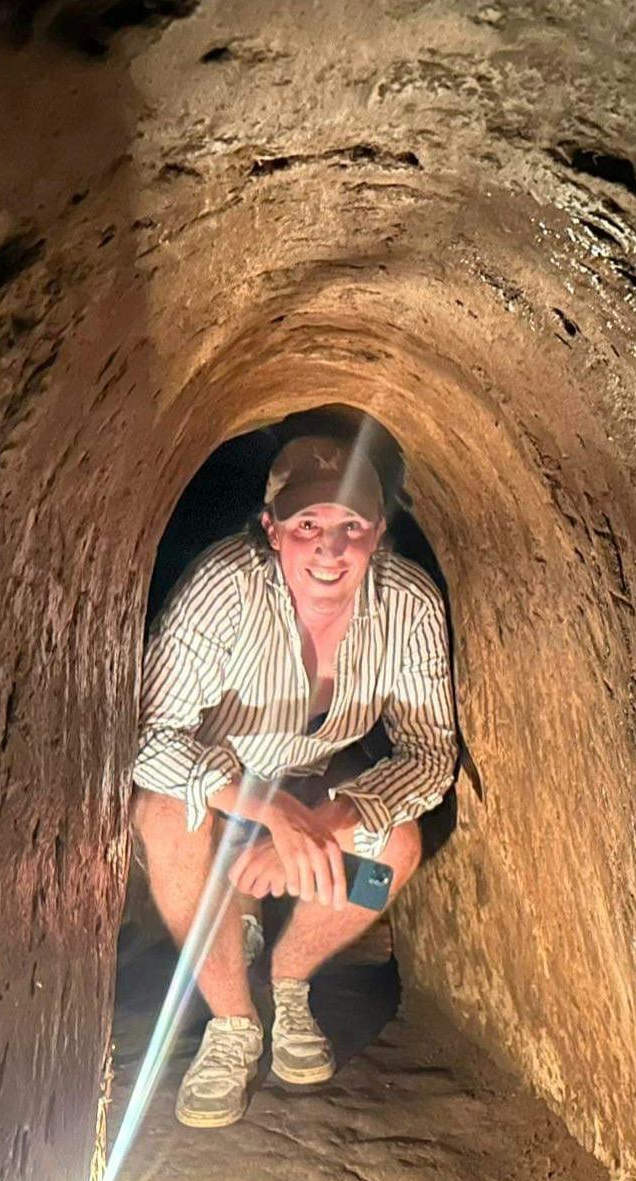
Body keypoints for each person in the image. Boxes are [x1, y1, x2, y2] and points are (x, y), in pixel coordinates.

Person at [131, 431, 458, 1128]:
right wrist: (270, 814)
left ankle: (289, 977)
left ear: (379, 535)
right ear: (272, 530)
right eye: (308, 525)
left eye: (351, 527)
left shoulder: (408, 605)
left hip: (317, 781)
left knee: (391, 853)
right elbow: (146, 738)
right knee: (162, 817)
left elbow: (430, 754)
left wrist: (326, 823)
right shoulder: (227, 590)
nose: (330, 550)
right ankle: (234, 1023)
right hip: (219, 785)